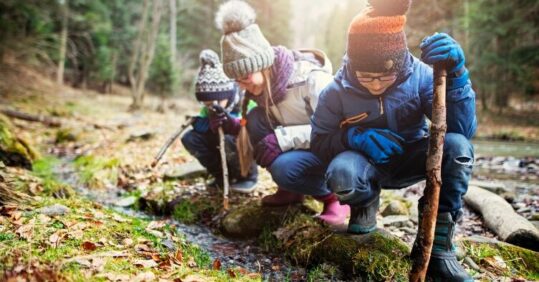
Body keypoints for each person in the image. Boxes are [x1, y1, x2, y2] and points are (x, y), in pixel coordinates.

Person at [311, 0, 476, 280]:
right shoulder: (335, 91)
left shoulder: (423, 77)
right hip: (364, 165)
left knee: (458, 149)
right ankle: (363, 207)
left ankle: (438, 243)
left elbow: (461, 131)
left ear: (399, 64)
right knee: (342, 173)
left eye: (385, 75)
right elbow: (319, 142)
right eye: (366, 76)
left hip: (412, 156)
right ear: (352, 64)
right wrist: (354, 136)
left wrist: (458, 78)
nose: (375, 84)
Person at [215, 0, 350, 225]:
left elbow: (338, 130)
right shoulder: (261, 89)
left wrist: (281, 140)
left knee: (283, 168)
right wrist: (229, 123)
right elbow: (254, 129)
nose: (241, 85)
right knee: (255, 120)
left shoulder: (312, 80)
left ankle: (336, 198)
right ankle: (291, 191)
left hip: (333, 151)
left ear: (262, 63)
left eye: (245, 77)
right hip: (303, 148)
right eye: (236, 80)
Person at [181, 49, 258, 193]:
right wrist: (200, 122)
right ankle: (221, 175)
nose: (212, 107)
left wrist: (233, 122)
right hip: (219, 144)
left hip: (242, 143)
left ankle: (247, 177)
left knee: (232, 138)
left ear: (227, 95)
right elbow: (206, 124)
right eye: (207, 104)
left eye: (216, 102)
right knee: (190, 138)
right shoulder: (209, 108)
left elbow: (252, 124)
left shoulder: (245, 100)